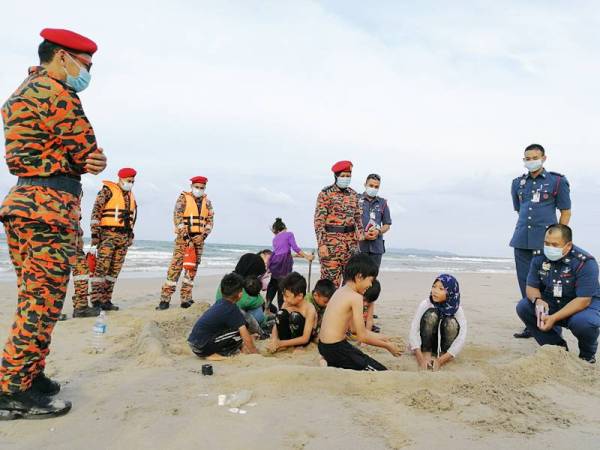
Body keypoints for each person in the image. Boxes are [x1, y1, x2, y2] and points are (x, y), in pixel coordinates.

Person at [0, 28, 106, 419]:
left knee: (37, 297)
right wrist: (90, 159)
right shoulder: (56, 93)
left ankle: (30, 375)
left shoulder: (24, 89)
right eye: (85, 64)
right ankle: (12, 389)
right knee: (40, 303)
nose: (87, 73)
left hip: (28, 203)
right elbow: (87, 149)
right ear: (62, 57)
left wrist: (82, 159)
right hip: (48, 207)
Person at [510, 144, 571, 339]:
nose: (531, 161)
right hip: (522, 243)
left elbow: (566, 211)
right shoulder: (517, 183)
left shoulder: (557, 181)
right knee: (526, 284)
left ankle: (553, 325)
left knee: (549, 286)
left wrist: (558, 238)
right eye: (527, 158)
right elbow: (520, 209)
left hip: (546, 244)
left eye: (535, 157)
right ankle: (532, 324)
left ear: (544, 158)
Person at [516, 225, 600, 364]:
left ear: (568, 246)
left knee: (584, 323)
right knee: (524, 307)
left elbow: (583, 300)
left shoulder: (585, 262)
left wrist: (553, 318)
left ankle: (587, 355)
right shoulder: (539, 258)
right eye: (546, 243)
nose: (549, 248)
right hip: (554, 301)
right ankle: (557, 349)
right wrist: (537, 300)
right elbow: (531, 287)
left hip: (583, 307)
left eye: (555, 244)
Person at [318, 254, 401, 371]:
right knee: (381, 371)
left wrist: (385, 337)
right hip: (335, 348)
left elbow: (354, 330)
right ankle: (330, 362)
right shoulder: (356, 297)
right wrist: (387, 346)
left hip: (323, 346)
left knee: (358, 355)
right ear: (359, 277)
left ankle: (326, 361)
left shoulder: (340, 291)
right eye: (370, 280)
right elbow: (362, 337)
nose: (371, 285)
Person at [157, 176, 214, 310]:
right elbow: (177, 218)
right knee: (175, 269)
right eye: (197, 187)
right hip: (184, 240)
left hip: (199, 240)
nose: (199, 190)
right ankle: (165, 299)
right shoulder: (183, 198)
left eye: (202, 188)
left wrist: (203, 236)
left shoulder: (208, 203)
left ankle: (186, 298)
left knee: (192, 270)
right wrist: (187, 239)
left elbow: (210, 221)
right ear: (192, 186)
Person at [89, 167, 137, 311]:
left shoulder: (129, 196)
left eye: (133, 181)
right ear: (121, 179)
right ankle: (96, 301)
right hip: (108, 235)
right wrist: (95, 234)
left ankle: (106, 300)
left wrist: (130, 235)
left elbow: (131, 218)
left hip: (123, 238)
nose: (131, 183)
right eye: (129, 180)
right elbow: (96, 211)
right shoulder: (107, 191)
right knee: (101, 269)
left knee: (114, 271)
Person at [314, 160, 364, 287]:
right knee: (329, 284)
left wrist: (361, 234)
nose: (346, 178)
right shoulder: (326, 194)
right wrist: (322, 245)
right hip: (331, 246)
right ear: (336, 176)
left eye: (348, 176)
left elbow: (358, 218)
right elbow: (319, 221)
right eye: (343, 176)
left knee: (350, 284)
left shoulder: (353, 194)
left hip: (351, 246)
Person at [188, 273, 258, 360]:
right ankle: (216, 355)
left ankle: (216, 352)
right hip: (202, 347)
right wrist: (255, 353)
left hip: (194, 342)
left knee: (236, 327)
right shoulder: (232, 309)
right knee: (241, 331)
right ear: (240, 294)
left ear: (221, 291)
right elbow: (244, 334)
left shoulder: (220, 302)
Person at [408, 274, 467, 371]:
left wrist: (440, 361)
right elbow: (413, 329)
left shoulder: (457, 309)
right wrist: (420, 359)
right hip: (426, 347)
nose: (435, 291)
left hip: (447, 352)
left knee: (451, 322)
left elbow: (461, 337)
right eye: (433, 287)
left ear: (451, 292)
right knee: (432, 314)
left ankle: (444, 355)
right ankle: (427, 353)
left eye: (441, 288)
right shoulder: (426, 304)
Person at [266, 218, 314, 310]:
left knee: (273, 284)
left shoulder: (275, 238)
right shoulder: (289, 234)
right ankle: (281, 310)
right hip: (284, 264)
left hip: (274, 262)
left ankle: (267, 308)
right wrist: (307, 256)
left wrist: (299, 256)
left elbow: (281, 253)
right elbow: (295, 247)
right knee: (282, 287)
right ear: (285, 228)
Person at [267, 272, 317, 353]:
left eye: (287, 296)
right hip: (289, 335)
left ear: (299, 296)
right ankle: (286, 344)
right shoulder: (286, 304)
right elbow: (277, 324)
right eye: (283, 295)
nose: (284, 299)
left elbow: (305, 338)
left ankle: (297, 346)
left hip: (303, 338)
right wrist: (274, 339)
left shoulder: (309, 309)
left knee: (295, 316)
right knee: (280, 313)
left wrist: (280, 343)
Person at [358, 174, 392, 268]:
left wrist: (378, 231)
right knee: (357, 278)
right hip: (359, 247)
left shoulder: (383, 203)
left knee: (372, 278)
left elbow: (387, 224)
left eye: (376, 187)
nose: (373, 188)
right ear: (365, 184)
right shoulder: (355, 199)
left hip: (376, 248)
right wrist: (363, 235)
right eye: (371, 185)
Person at [71, 228, 100, 318]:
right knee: (81, 271)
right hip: (66, 236)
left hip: (68, 236)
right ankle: (81, 308)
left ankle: (80, 306)